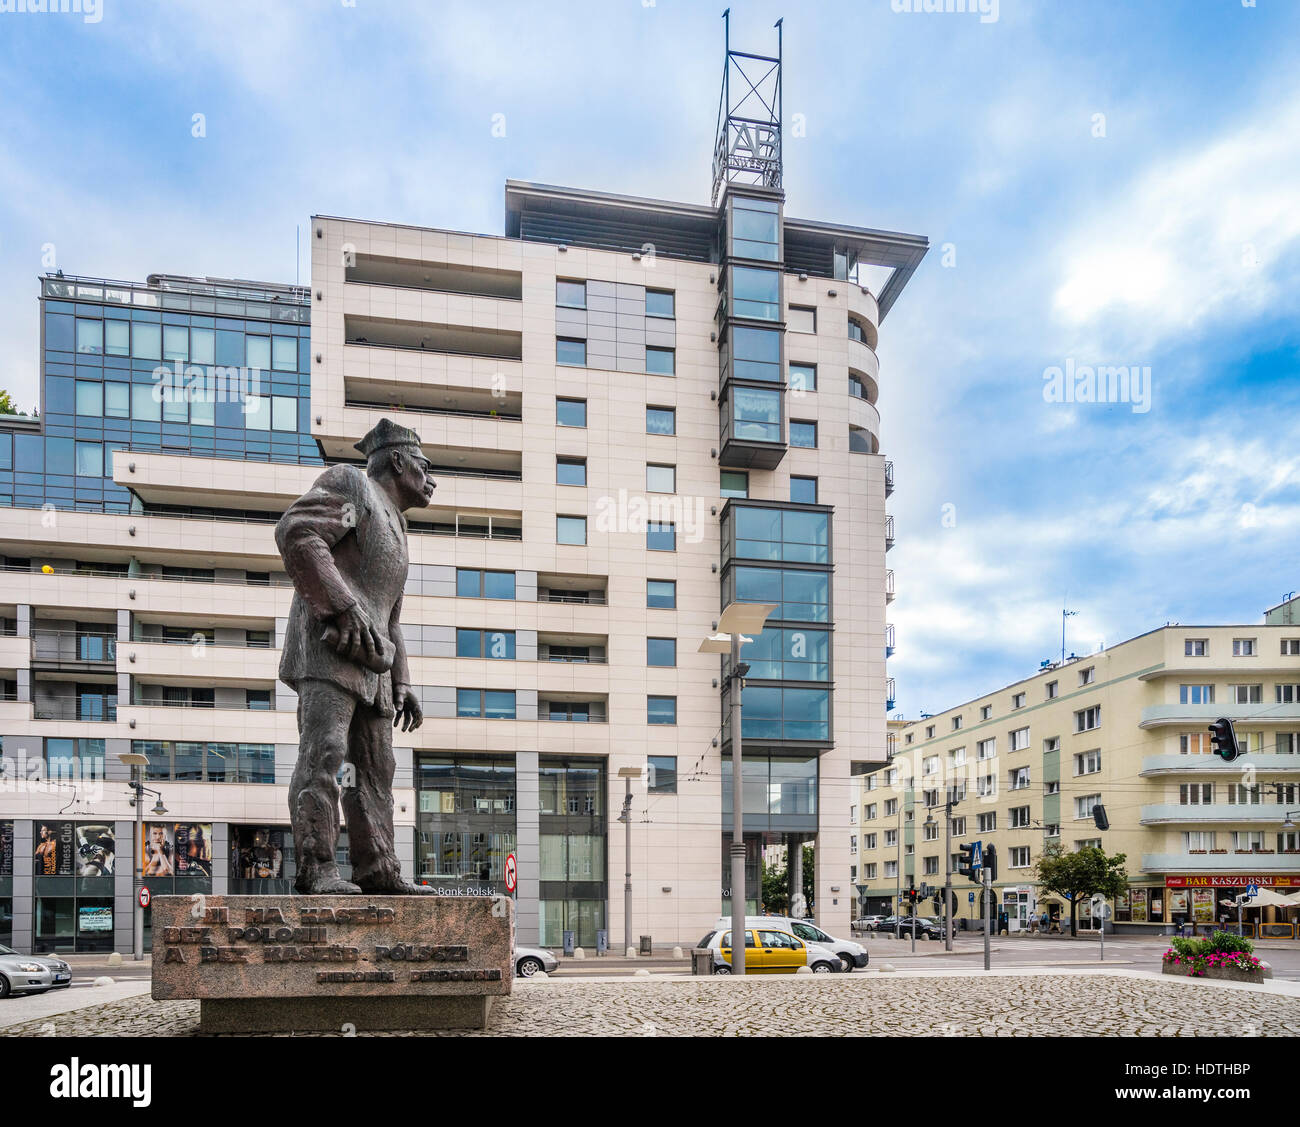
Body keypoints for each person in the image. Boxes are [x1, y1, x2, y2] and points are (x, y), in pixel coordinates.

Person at [277, 418, 436, 895]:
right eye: (425, 467)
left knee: (375, 769)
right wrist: (342, 607)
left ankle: (378, 869)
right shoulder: (353, 487)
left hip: (375, 668)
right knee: (325, 754)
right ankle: (317, 867)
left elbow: (390, 615)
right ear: (398, 460)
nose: (432, 480)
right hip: (331, 650)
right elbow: (298, 533)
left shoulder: (399, 526)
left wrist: (402, 683)